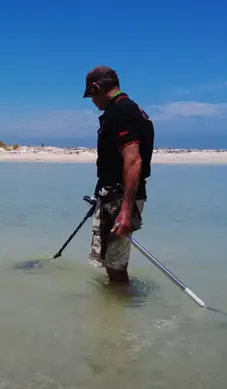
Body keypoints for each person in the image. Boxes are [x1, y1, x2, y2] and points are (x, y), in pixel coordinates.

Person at [82, 66, 155, 284]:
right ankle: (113, 311)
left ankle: (119, 307)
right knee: (111, 262)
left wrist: (125, 210)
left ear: (96, 88)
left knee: (115, 266)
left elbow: (133, 160)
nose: (92, 103)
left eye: (90, 96)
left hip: (119, 198)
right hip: (115, 196)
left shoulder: (121, 112)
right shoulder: (133, 110)